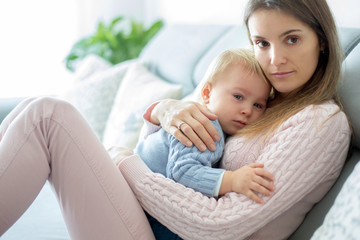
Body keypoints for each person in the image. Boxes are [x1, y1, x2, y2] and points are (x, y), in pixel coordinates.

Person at [0, 1, 351, 240]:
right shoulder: (264, 94)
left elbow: (218, 225)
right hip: (154, 220)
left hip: (173, 232)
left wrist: (124, 162)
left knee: (48, 116)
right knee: (36, 112)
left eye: (291, 39)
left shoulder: (320, 123)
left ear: (321, 40)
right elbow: (170, 136)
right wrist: (162, 110)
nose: (274, 59)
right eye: (261, 42)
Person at [133, 48, 274, 201]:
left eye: (258, 105)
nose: (247, 110)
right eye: (238, 96)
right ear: (206, 93)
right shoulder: (205, 124)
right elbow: (182, 172)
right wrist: (232, 180)